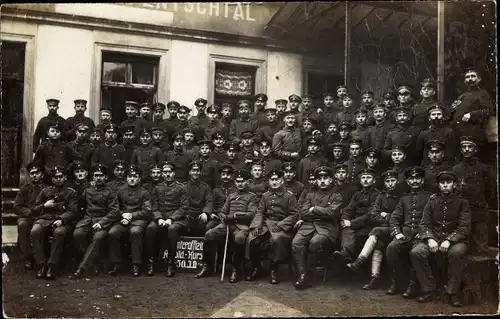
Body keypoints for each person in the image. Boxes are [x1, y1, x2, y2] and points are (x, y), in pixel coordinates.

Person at [410, 171, 471, 307]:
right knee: (417, 252)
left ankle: (452, 292)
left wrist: (449, 240)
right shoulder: (432, 201)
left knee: (456, 253)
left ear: (454, 185)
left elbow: (464, 227)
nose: (445, 185)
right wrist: (430, 238)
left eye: (448, 183)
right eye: (442, 183)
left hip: (457, 240)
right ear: (438, 185)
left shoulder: (462, 202)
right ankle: (429, 289)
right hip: (434, 237)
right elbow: (424, 224)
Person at [194, 169, 257, 283]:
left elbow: (251, 214)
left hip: (241, 226)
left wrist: (235, 216)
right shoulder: (231, 196)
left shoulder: (252, 197)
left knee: (239, 238)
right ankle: (206, 266)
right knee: (208, 235)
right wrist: (224, 218)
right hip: (227, 225)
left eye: (242, 181)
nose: (240, 184)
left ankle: (235, 268)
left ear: (247, 182)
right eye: (237, 181)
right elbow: (222, 211)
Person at [346, 170, 400, 290]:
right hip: (384, 228)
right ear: (384, 183)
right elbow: (374, 215)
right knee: (379, 244)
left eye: (393, 181)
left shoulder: (402, 196)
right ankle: (375, 277)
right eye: (387, 181)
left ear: (397, 181)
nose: (390, 184)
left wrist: (388, 215)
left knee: (376, 231)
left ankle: (360, 261)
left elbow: (401, 217)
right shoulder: (381, 196)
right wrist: (385, 217)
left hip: (398, 229)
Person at [291, 166, 343, 289]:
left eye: (325, 178)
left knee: (316, 242)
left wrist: (315, 209)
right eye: (319, 178)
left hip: (327, 228)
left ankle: (307, 274)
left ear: (331, 180)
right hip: (308, 225)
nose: (322, 181)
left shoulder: (336, 196)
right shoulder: (310, 194)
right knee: (296, 242)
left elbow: (332, 213)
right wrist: (322, 212)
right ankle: (303, 275)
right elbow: (303, 212)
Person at [385, 167, 432, 298]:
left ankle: (413, 285)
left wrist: (423, 233)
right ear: (407, 181)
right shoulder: (404, 199)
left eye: (417, 178)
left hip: (420, 235)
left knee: (415, 252)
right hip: (405, 235)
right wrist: (397, 233)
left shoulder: (430, 197)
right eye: (411, 178)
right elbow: (395, 218)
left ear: (422, 180)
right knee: (391, 248)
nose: (415, 181)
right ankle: (395, 283)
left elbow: (432, 220)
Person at [247, 168, 298, 284]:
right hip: (266, 224)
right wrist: (256, 226)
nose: (274, 182)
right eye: (271, 180)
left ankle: (274, 269)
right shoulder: (265, 196)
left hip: (282, 226)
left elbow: (294, 214)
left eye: (277, 179)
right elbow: (260, 212)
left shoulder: (289, 196)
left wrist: (281, 225)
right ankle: (256, 267)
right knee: (253, 239)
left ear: (282, 181)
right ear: (268, 182)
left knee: (276, 239)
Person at [165, 161, 213, 277]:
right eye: (193, 170)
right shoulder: (183, 186)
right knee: (172, 229)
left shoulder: (205, 187)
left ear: (200, 172)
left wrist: (205, 213)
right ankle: (171, 263)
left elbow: (209, 202)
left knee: (209, 231)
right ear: (190, 172)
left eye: (197, 170)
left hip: (199, 218)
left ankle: (205, 265)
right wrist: (183, 214)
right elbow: (181, 204)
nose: (195, 172)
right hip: (185, 218)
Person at [72, 164, 120, 279]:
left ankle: (82, 268)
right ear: (93, 177)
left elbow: (114, 212)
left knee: (98, 238)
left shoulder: (111, 192)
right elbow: (80, 204)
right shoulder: (88, 190)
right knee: (78, 234)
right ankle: (94, 261)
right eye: (96, 176)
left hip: (103, 222)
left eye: (101, 176)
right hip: (88, 220)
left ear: (106, 178)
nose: (98, 178)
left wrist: (102, 223)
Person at [31, 166, 78, 280]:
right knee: (35, 231)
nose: (58, 179)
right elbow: (35, 209)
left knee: (59, 233)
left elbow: (73, 211)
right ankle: (41, 265)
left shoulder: (71, 193)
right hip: (45, 219)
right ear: (52, 179)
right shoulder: (45, 191)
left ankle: (52, 265)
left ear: (65, 177)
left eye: (60, 176)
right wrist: (44, 206)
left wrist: (61, 219)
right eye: (55, 177)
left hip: (62, 221)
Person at [453, 136, 494, 256]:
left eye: (470, 147)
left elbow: (490, 190)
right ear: (461, 150)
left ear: (475, 149)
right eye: (464, 147)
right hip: (462, 211)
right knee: (463, 248)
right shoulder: (456, 169)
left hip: (479, 210)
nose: (466, 149)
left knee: (481, 249)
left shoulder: (483, 168)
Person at [107, 165, 151, 277]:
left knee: (135, 232)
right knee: (113, 233)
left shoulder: (144, 192)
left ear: (139, 179)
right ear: (126, 178)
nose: (132, 179)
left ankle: (136, 264)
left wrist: (131, 215)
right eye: (130, 176)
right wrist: (123, 215)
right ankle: (116, 263)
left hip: (138, 219)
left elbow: (146, 211)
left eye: (135, 176)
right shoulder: (120, 191)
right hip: (123, 220)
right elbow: (114, 208)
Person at [146, 161, 186, 276]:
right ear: (162, 174)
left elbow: (183, 208)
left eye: (170, 172)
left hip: (177, 219)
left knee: (172, 229)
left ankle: (171, 263)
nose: (167, 174)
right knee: (150, 229)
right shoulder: (157, 188)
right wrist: (159, 219)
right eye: (165, 172)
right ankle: (151, 262)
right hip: (161, 218)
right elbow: (154, 206)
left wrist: (171, 219)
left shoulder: (181, 188)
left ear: (174, 173)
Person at [335, 169, 381, 264]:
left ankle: (348, 254)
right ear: (360, 181)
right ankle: (345, 254)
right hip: (354, 222)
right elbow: (349, 209)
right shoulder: (357, 194)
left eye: (368, 177)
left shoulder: (377, 195)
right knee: (344, 227)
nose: (365, 180)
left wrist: (351, 223)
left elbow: (371, 215)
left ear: (374, 180)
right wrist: (345, 219)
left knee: (356, 233)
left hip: (368, 224)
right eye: (363, 178)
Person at [13, 162, 46, 270]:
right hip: (27, 217)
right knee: (22, 225)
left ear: (42, 174)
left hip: (42, 217)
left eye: (37, 173)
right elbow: (16, 207)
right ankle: (28, 256)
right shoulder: (25, 189)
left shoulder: (47, 189)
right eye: (32, 173)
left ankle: (42, 257)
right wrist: (29, 212)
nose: (34, 175)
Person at [451, 67, 495, 146]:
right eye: (467, 77)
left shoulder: (482, 93)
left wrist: (471, 114)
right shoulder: (462, 96)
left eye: (473, 76)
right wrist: (453, 109)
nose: (470, 79)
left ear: (479, 79)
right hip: (458, 131)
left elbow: (489, 111)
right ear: (465, 81)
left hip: (473, 132)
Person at [208, 164, 236, 232]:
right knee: (209, 226)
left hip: (233, 218)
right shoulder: (215, 191)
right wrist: (212, 214)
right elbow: (212, 205)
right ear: (220, 176)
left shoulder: (236, 190)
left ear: (232, 176)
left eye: (228, 175)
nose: (225, 177)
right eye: (223, 174)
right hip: (218, 218)